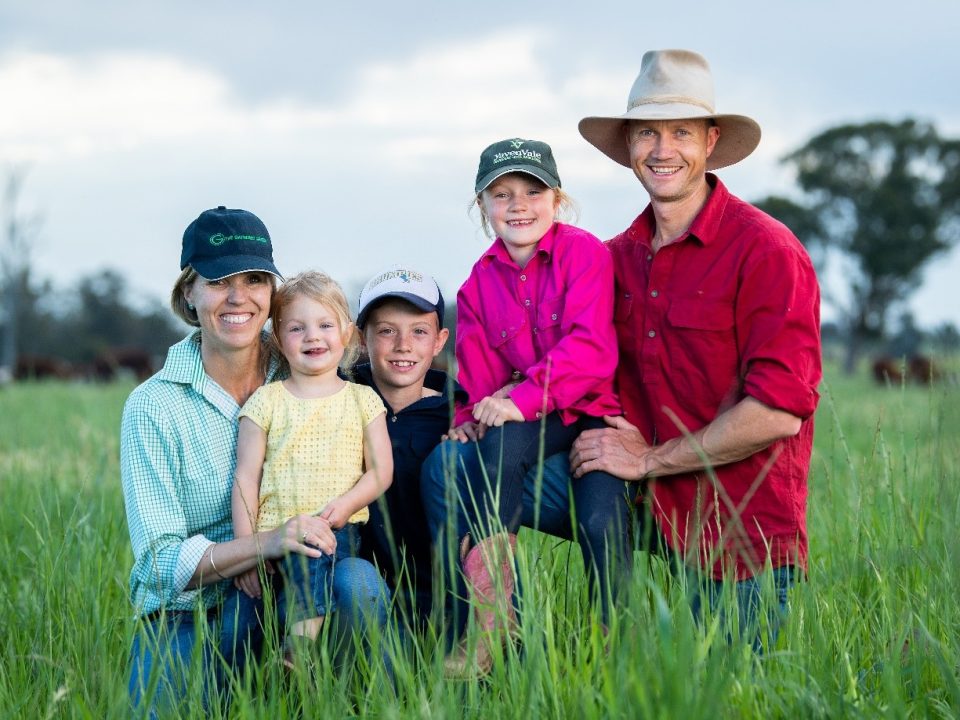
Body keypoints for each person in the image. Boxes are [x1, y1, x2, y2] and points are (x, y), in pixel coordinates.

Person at [570, 49, 822, 649]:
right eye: (648, 132)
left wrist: (649, 459)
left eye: (681, 131)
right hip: (641, 511)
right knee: (464, 476)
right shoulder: (611, 258)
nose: (663, 149)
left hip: (739, 535)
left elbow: (778, 411)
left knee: (732, 698)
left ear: (710, 141)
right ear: (628, 145)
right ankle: (481, 639)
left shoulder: (767, 251)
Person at [119, 207, 380, 715]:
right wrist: (265, 543)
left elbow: (395, 386)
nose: (238, 296)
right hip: (193, 610)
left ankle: (327, 694)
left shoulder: (309, 362)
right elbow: (156, 563)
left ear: (271, 294)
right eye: (218, 280)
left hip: (306, 588)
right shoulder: (153, 406)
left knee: (357, 583)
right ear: (189, 293)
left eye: (255, 279)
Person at [421, 138, 635, 677]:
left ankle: (615, 646)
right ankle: (495, 624)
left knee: (599, 516)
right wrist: (471, 419)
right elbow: (480, 374)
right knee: (494, 449)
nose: (518, 205)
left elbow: (591, 349)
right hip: (529, 416)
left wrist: (517, 399)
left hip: (589, 408)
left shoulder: (584, 253)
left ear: (556, 199)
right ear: (482, 205)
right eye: (501, 194)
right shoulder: (476, 287)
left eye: (532, 191)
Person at [231, 270, 393, 668]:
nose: (312, 337)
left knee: (315, 542)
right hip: (273, 537)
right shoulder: (266, 401)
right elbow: (245, 478)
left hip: (338, 531)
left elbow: (380, 470)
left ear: (348, 334)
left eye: (325, 325)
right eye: (297, 328)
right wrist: (247, 549)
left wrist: (345, 504)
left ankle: (299, 649)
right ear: (278, 338)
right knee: (239, 619)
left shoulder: (362, 399)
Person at [351, 266, 460, 629]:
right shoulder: (337, 400)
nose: (403, 345)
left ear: (440, 340)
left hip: (443, 599)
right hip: (361, 594)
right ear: (361, 338)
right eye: (386, 331)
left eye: (419, 331)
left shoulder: (460, 416)